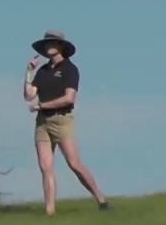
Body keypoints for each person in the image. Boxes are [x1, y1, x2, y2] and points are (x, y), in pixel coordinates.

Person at [23, 30, 110, 214]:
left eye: (52, 43)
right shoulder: (43, 71)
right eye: (46, 44)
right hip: (42, 122)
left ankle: (100, 198)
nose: (48, 47)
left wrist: (42, 105)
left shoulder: (70, 69)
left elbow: (69, 99)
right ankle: (50, 210)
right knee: (45, 167)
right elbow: (29, 95)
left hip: (62, 120)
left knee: (74, 163)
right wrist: (29, 72)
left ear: (61, 46)